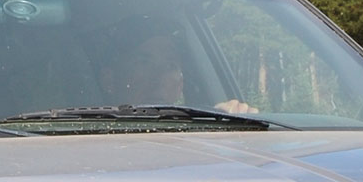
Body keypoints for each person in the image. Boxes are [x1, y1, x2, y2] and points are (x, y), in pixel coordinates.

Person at [95, 18, 257, 114]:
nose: (159, 77)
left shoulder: (202, 136)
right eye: (144, 63)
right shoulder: (84, 142)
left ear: (180, 85)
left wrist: (224, 115)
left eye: (170, 66)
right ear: (109, 79)